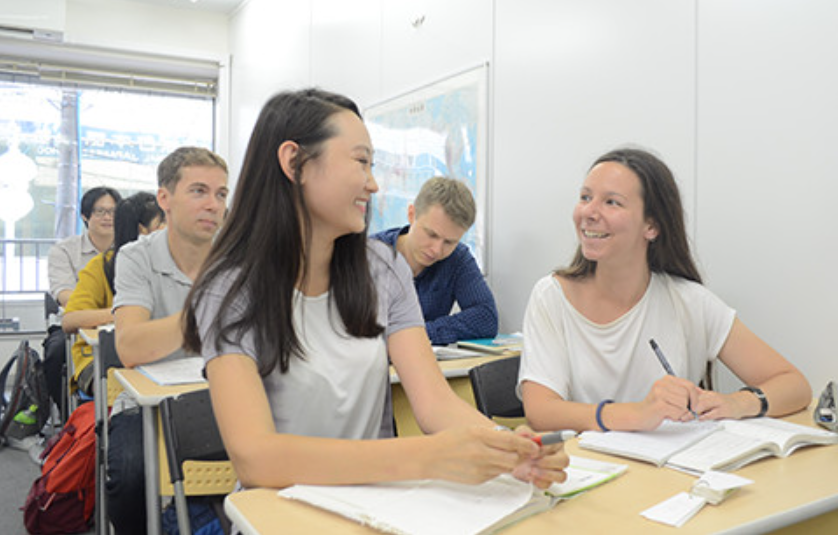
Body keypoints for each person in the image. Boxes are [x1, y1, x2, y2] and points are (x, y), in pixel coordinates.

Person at [182, 88, 568, 498]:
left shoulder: (384, 269)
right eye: (361, 162)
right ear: (294, 162)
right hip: (281, 513)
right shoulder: (229, 287)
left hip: (377, 504)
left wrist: (506, 446)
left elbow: (436, 402)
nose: (374, 184)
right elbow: (256, 458)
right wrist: (426, 457)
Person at [519, 148, 812, 433]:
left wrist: (736, 403)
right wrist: (638, 413)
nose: (589, 212)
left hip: (669, 474)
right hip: (592, 472)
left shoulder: (689, 301)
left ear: (652, 226)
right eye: (585, 197)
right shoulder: (552, 296)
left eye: (612, 202)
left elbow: (794, 384)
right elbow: (541, 411)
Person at [107, 147, 228, 535]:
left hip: (224, 394)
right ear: (165, 199)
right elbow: (130, 348)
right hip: (149, 405)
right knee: (129, 473)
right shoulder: (135, 257)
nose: (213, 205)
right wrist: (206, 308)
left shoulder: (236, 257)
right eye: (198, 191)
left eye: (221, 194)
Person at [371, 176, 498, 345]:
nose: (437, 250)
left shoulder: (457, 258)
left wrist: (418, 334)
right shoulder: (370, 255)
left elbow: (486, 318)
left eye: (449, 242)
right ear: (411, 214)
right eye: (431, 234)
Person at [60, 192, 165, 397]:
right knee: (130, 397)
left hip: (155, 356)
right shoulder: (102, 266)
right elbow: (70, 320)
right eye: (163, 224)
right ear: (142, 231)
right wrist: (125, 312)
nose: (171, 231)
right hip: (99, 361)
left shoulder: (170, 266)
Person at [44, 187, 123, 410]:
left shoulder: (131, 250)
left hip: (119, 324)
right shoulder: (64, 251)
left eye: (113, 212)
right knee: (56, 353)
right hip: (75, 327)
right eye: (100, 212)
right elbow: (66, 296)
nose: (108, 218)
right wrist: (112, 311)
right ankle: (68, 418)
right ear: (85, 216)